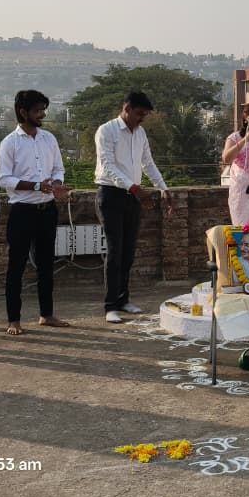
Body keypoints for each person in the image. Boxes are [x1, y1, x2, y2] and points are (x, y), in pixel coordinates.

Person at [95, 91, 175, 324]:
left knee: (128, 251)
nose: (142, 119)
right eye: (139, 114)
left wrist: (163, 188)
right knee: (114, 251)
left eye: (145, 115)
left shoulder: (140, 133)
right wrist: (134, 188)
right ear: (127, 108)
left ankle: (123, 299)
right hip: (110, 194)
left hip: (132, 196)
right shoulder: (106, 131)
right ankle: (110, 306)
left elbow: (147, 163)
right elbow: (108, 166)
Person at [0, 89, 70, 335]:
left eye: (42, 110)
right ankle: (13, 320)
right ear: (23, 112)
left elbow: (58, 168)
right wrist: (37, 185)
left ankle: (46, 315)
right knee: (16, 266)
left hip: (47, 209)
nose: (42, 114)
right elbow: (4, 178)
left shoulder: (49, 138)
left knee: (46, 264)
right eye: (38, 110)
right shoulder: (10, 142)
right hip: (22, 211)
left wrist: (57, 185)